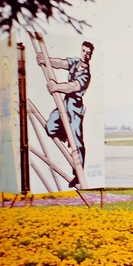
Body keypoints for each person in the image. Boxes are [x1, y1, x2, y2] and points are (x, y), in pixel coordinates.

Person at [37, 41, 94, 186]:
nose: (85, 54)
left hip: (74, 107)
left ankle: (77, 173)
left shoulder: (86, 75)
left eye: (88, 53)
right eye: (83, 51)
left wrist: (57, 87)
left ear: (90, 55)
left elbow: (73, 86)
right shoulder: (75, 62)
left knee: (77, 139)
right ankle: (66, 136)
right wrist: (46, 60)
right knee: (50, 126)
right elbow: (61, 63)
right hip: (65, 103)